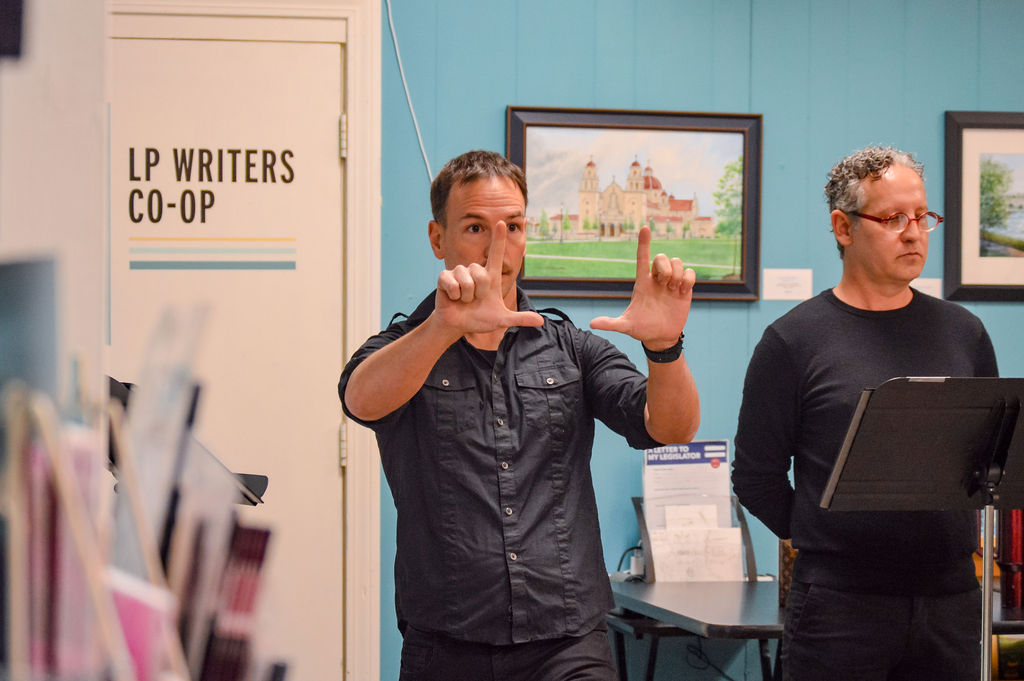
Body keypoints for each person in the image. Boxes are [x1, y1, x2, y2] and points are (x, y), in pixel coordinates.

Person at [339, 149, 699, 681]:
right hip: (446, 640)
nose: (498, 246)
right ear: (438, 238)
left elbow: (670, 428)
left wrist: (665, 348)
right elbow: (360, 400)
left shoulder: (571, 347)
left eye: (513, 226)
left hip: (568, 640)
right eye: (475, 228)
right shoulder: (403, 346)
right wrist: (443, 328)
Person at [732, 145, 998, 681]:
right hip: (838, 607)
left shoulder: (964, 333)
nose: (914, 233)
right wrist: (822, 532)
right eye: (893, 218)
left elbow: (990, 459)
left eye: (922, 217)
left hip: (951, 599)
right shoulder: (792, 341)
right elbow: (756, 477)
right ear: (843, 227)